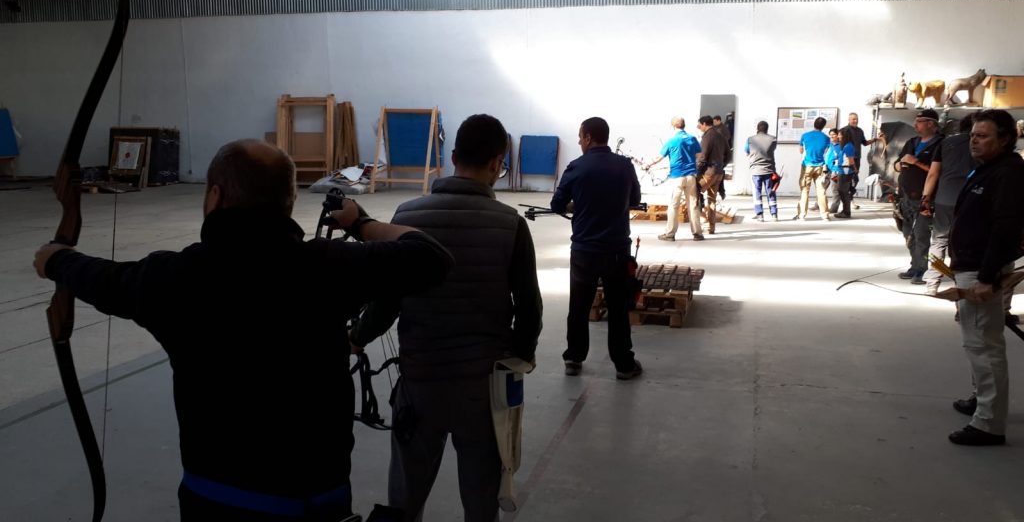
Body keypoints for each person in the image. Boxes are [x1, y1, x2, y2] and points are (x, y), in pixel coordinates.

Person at [34, 139, 455, 522]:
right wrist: (360, 222)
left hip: (212, 504)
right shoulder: (328, 267)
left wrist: (56, 258)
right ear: (289, 202)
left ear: (215, 196)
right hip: (316, 505)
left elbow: (102, 279)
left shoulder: (174, 277)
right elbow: (429, 254)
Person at [351, 115, 543, 522]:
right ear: (497, 163)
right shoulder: (510, 225)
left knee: (405, 497)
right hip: (483, 390)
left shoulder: (406, 216)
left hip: (420, 382)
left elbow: (387, 302)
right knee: (481, 499)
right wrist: (518, 359)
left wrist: (357, 337)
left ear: (453, 157)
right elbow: (530, 308)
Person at [947, 109, 1024, 446]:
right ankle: (981, 398)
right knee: (978, 340)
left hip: (981, 271)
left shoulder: (1008, 173)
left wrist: (987, 277)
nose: (974, 142)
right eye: (973, 136)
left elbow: (1005, 227)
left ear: (1005, 139)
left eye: (983, 136)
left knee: (983, 345)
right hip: (970, 266)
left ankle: (989, 424)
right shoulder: (989, 168)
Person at [551, 116, 643, 380]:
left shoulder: (576, 167)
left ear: (589, 137)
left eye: (581, 137)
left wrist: (575, 205)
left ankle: (574, 358)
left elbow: (557, 204)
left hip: (585, 250)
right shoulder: (624, 166)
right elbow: (635, 199)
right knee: (618, 308)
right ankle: (624, 365)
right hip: (616, 250)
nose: (580, 142)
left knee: (579, 306)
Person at [921, 115, 976, 295]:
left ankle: (932, 282)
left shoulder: (945, 143)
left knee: (939, 241)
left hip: (945, 198)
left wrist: (925, 199)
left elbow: (933, 174)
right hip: (971, 200)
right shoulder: (985, 145)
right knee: (965, 242)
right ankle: (962, 282)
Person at [895, 108, 944, 284]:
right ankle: (914, 266)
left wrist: (916, 162)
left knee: (921, 235)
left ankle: (922, 270)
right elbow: (897, 164)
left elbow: (937, 172)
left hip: (926, 198)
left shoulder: (941, 144)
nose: (915, 125)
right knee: (908, 234)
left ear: (931, 124)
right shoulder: (912, 142)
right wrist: (901, 164)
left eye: (919, 122)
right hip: (906, 196)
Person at [643, 116, 704, 240]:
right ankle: (697, 233)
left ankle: (670, 234)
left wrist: (647, 164)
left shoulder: (671, 141)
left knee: (673, 206)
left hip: (676, 177)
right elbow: (699, 155)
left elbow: (659, 158)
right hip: (691, 176)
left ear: (673, 126)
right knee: (693, 205)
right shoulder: (692, 139)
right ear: (684, 125)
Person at [794, 116, 831, 221]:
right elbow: (826, 152)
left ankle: (802, 215)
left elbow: (801, 151)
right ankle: (825, 215)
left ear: (814, 124)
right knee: (821, 190)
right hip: (820, 167)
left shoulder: (805, 136)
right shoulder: (826, 138)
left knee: (805, 190)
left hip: (807, 166)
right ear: (823, 126)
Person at [696, 115, 728, 234]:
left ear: (704, 124)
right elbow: (728, 154)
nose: (698, 127)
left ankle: (702, 222)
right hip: (718, 173)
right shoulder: (720, 135)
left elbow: (702, 156)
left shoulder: (707, 136)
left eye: (700, 124)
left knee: (694, 193)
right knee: (712, 200)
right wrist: (721, 165)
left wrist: (697, 171)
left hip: (709, 173)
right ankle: (711, 227)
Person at [744, 120, 778, 221]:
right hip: (769, 170)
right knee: (771, 192)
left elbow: (746, 151)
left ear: (757, 128)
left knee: (757, 192)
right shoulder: (773, 139)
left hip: (755, 170)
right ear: (767, 129)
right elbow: (772, 150)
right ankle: (774, 214)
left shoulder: (750, 139)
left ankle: (760, 215)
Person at [840, 112, 875, 199]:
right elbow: (840, 144)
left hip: (857, 158)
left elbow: (865, 143)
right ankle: (845, 197)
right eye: (853, 119)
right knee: (847, 179)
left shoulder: (860, 131)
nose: (855, 121)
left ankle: (849, 196)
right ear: (849, 120)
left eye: (856, 119)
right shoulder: (844, 130)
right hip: (847, 158)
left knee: (855, 179)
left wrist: (875, 139)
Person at [825, 127, 857, 218]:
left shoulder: (848, 146)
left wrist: (853, 170)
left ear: (844, 135)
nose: (838, 136)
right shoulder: (845, 145)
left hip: (845, 172)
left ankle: (846, 212)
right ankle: (845, 211)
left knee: (843, 192)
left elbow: (851, 161)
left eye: (839, 134)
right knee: (841, 191)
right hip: (842, 171)